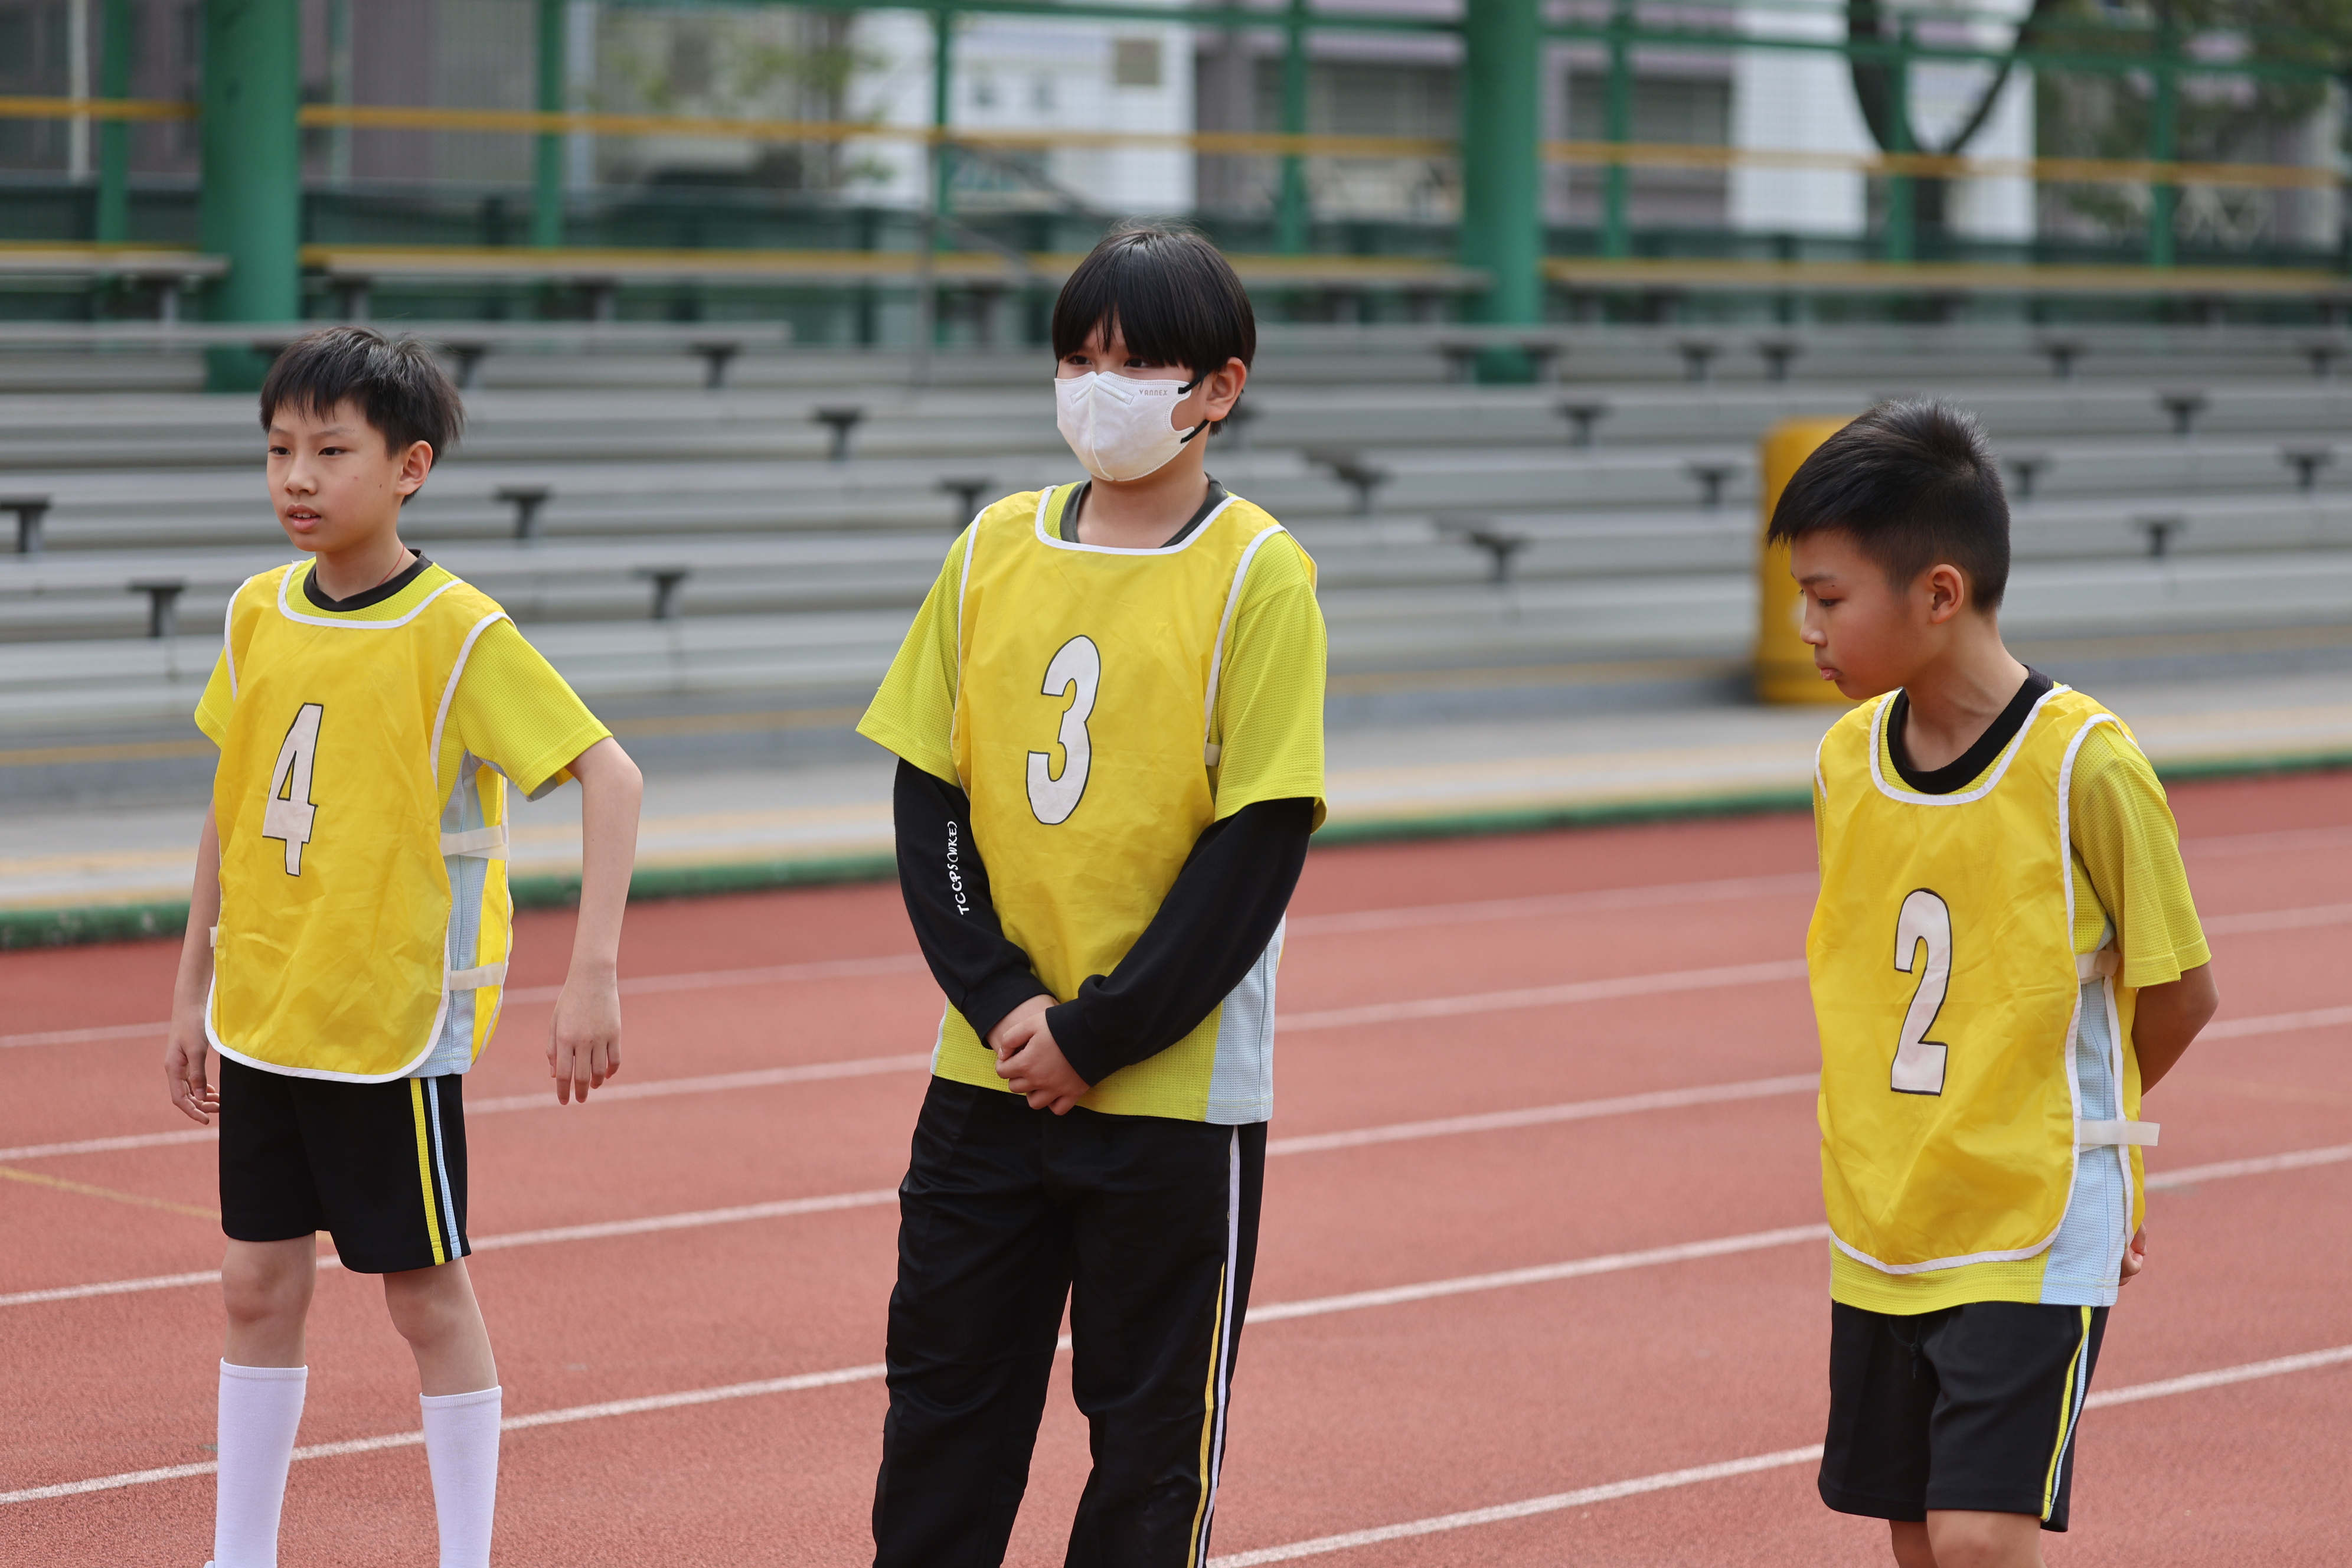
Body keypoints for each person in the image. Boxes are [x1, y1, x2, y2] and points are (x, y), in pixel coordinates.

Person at [855, 222, 1328, 1566]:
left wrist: (1100, 1032)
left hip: (1171, 1097)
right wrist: (1007, 1001)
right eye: (1077, 359)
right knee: (942, 1419)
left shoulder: (1260, 573)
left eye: (1133, 365)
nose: (1096, 389)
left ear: (1218, 388)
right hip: (989, 1074)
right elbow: (932, 801)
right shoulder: (991, 547)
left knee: (1148, 1450)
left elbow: (1255, 845)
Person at [160, 326, 643, 1568]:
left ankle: (465, 1553)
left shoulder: (458, 630)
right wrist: (191, 985)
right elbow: (231, 803)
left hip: (387, 1021)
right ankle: (241, 1552)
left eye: (332, 451)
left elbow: (612, 776)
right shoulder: (256, 612)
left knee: (423, 1294)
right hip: (267, 1008)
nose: (298, 477)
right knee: (254, 1286)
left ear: (410, 466)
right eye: (279, 449)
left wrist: (592, 974)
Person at [1770, 400, 2219, 1568]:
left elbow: (2181, 990)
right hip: (1887, 1211)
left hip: (2032, 1216)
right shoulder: (1843, 763)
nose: (1805, 627)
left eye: (1827, 598)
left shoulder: (2085, 764)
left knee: (1978, 1534)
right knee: (1919, 1536)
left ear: (1939, 593)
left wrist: (2085, 1144)